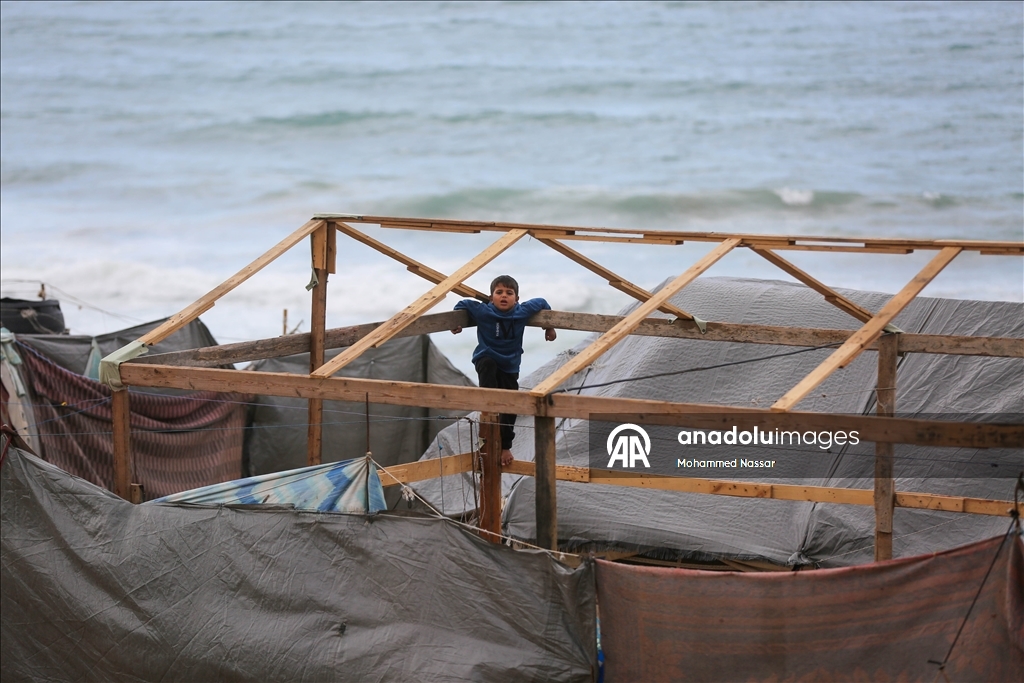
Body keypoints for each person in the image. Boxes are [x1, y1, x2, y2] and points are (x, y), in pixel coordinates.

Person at [451, 275, 556, 466]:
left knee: (510, 405)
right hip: (486, 358)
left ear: (517, 298)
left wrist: (548, 328)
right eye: (499, 292)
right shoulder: (483, 311)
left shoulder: (522, 311)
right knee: (488, 366)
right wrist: (456, 322)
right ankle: (488, 403)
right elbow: (463, 303)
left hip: (510, 365)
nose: (504, 296)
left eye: (509, 293)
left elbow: (542, 302)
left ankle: (506, 446)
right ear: (491, 298)